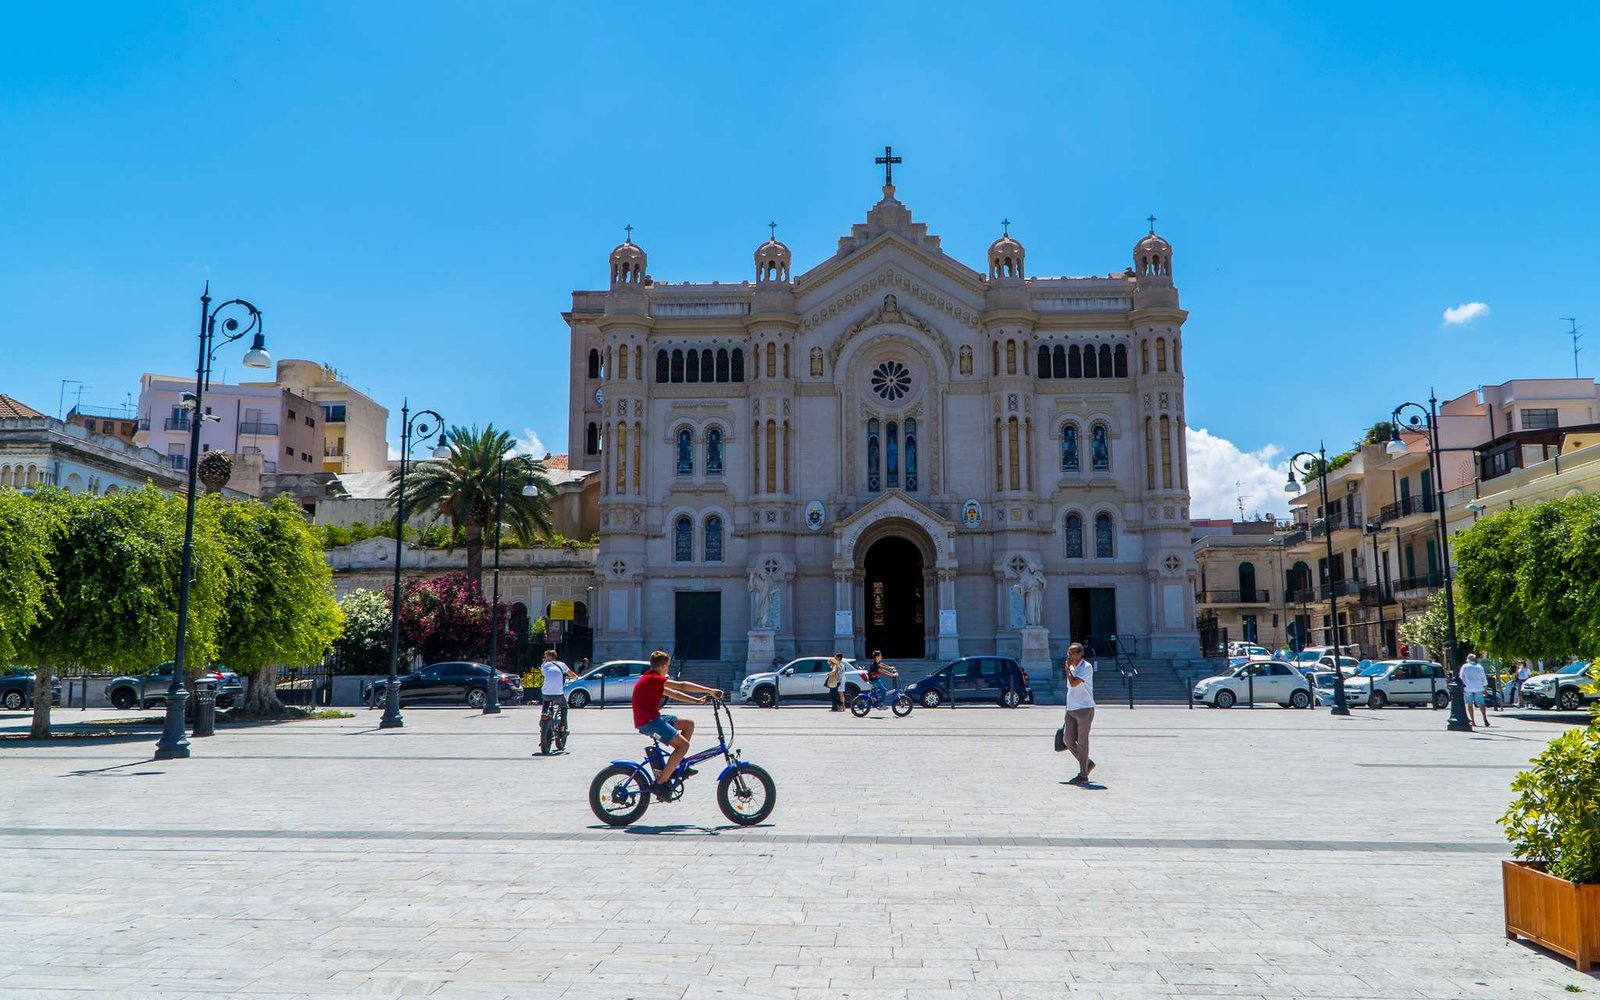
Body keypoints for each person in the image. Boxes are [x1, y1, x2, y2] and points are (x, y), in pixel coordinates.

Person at [632, 650, 724, 798]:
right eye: (668, 666)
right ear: (662, 666)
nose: (668, 669)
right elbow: (681, 686)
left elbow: (674, 694)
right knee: (683, 746)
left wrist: (697, 701)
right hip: (649, 722)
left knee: (688, 724)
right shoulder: (653, 678)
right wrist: (710, 690)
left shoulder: (651, 678)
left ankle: (675, 766)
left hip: (654, 718)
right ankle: (660, 784)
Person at [1063, 643, 1096, 784]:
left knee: (1082, 742)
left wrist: (1067, 670)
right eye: (1068, 653)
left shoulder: (1086, 667)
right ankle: (1087, 763)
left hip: (1084, 709)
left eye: (1071, 653)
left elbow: (1074, 682)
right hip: (1071, 709)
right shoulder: (1071, 667)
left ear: (1080, 654)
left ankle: (1083, 774)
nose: (1069, 657)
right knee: (1067, 740)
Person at [535, 650, 577, 752]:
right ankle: (562, 728)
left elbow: (545, 675)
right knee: (564, 707)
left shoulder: (544, 665)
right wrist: (574, 677)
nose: (544, 658)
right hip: (558, 693)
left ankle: (543, 716)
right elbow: (571, 674)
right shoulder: (561, 664)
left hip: (546, 693)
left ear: (549, 657)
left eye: (545, 656)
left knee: (546, 700)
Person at [1459, 652, 1489, 728]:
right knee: (1481, 703)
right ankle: (1484, 718)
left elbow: (1461, 678)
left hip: (1468, 687)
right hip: (1478, 687)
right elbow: (1484, 679)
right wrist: (1485, 689)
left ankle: (1473, 721)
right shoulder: (1479, 667)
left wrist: (1462, 688)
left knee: (1469, 704)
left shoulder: (1464, 667)